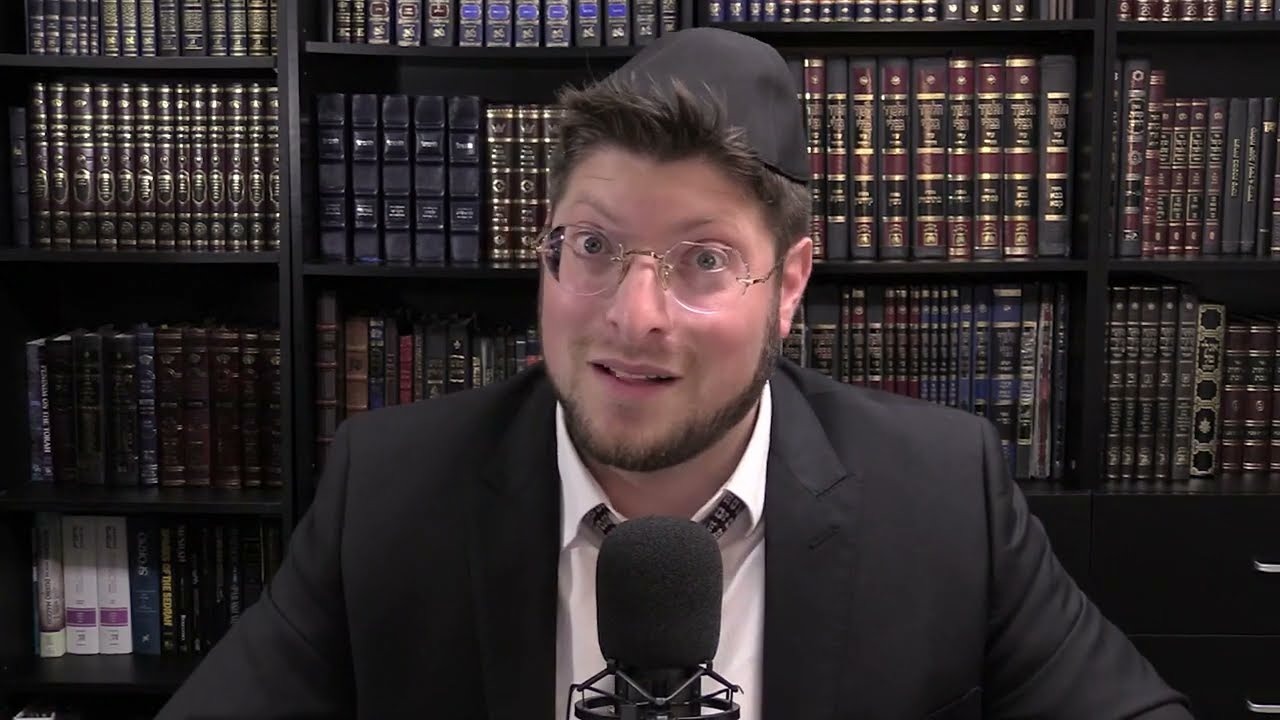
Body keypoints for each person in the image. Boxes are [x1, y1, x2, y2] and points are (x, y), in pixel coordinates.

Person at [156, 27, 1193, 720]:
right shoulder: (388, 487)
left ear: (788, 286)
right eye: (593, 245)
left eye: (703, 259)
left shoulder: (942, 490)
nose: (632, 314)